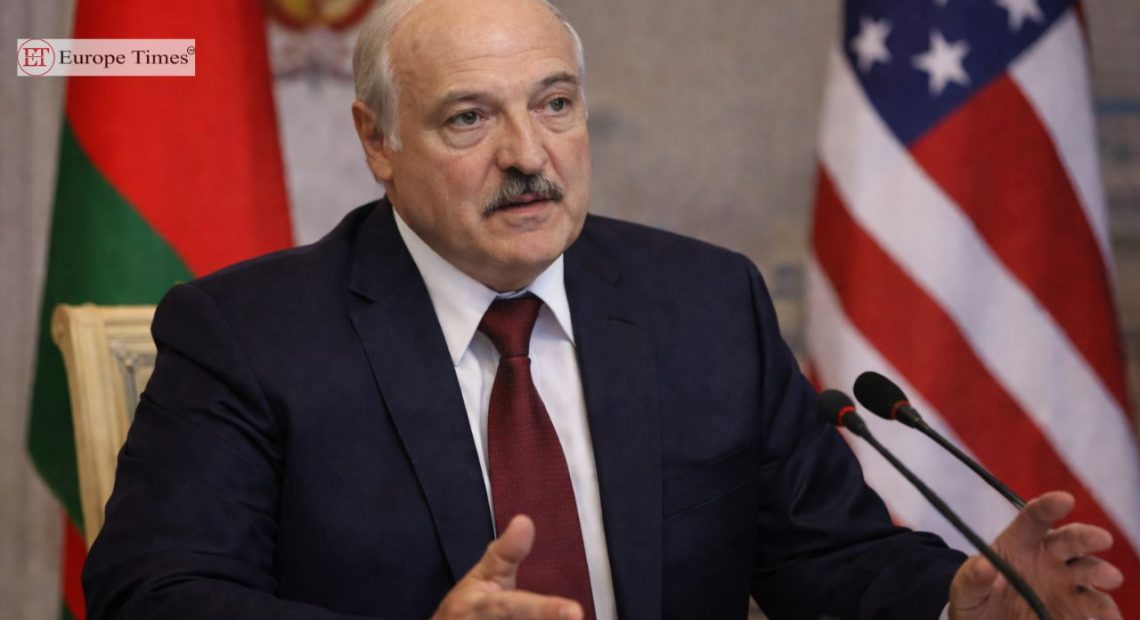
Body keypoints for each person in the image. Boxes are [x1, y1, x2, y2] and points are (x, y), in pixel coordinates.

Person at [82, 0, 1125, 618]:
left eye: (555, 105)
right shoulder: (247, 336)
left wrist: (959, 599)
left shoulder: (705, 305)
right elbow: (155, 593)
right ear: (377, 142)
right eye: (469, 119)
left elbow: (826, 554)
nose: (528, 155)